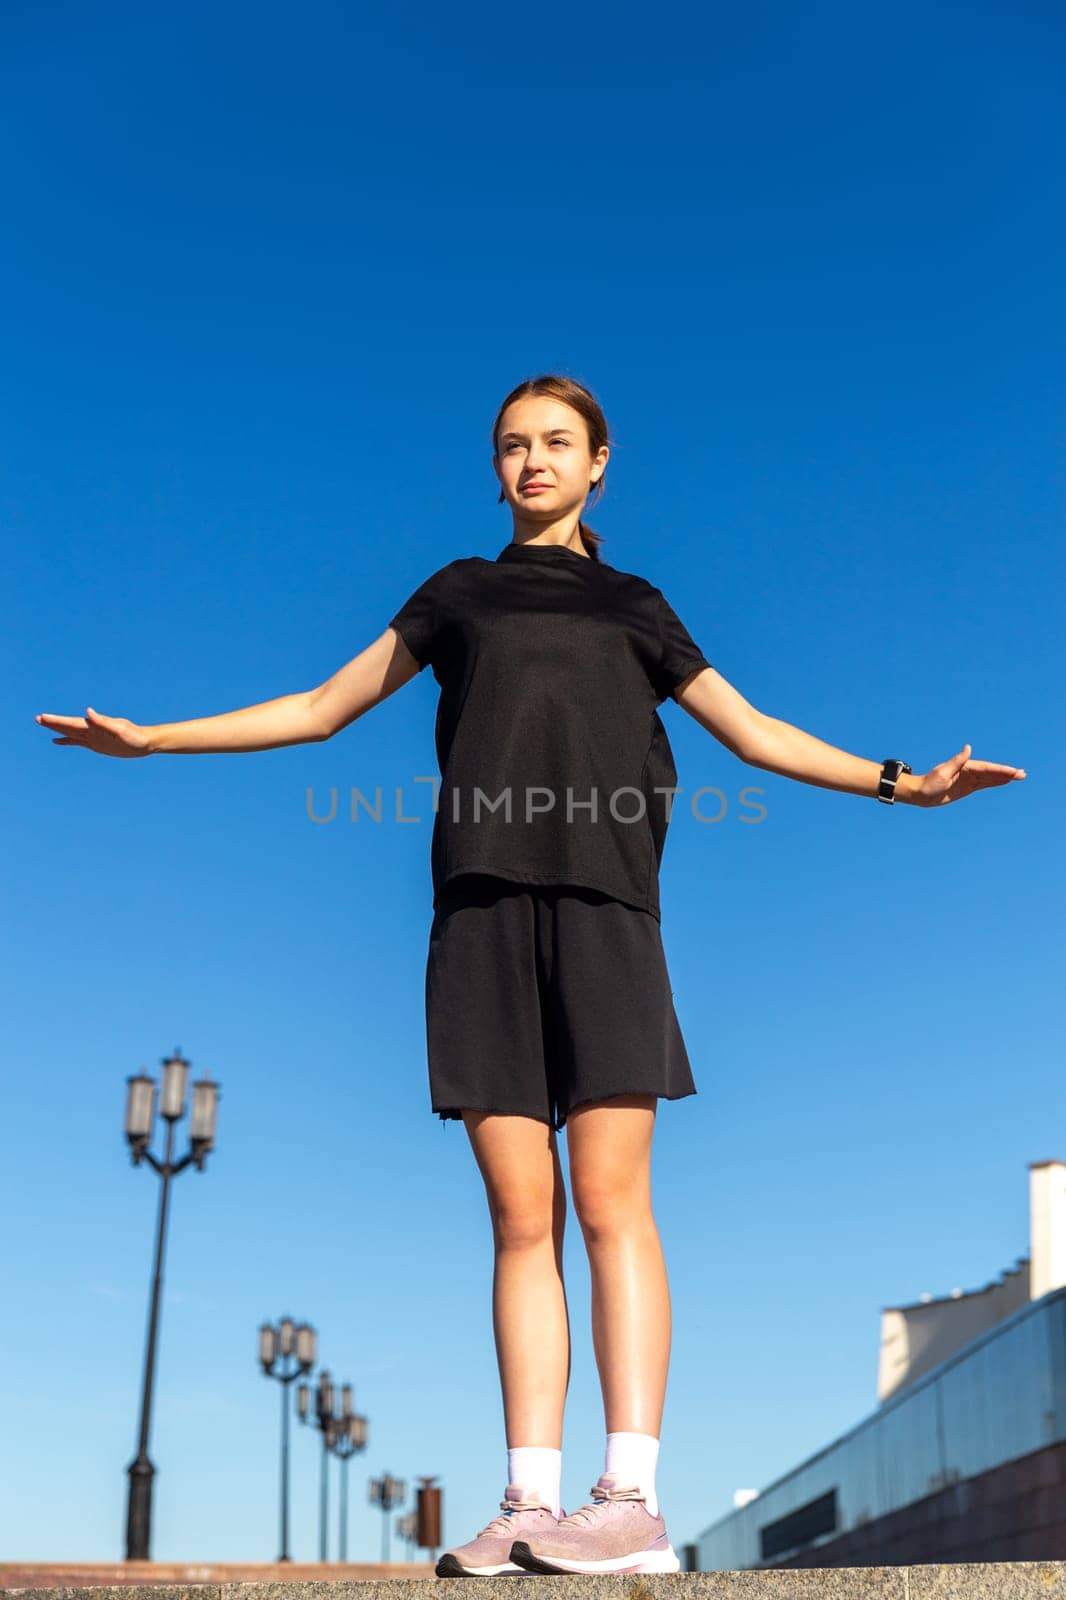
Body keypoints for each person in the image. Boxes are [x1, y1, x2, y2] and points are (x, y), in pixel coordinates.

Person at [35, 373, 1027, 1579]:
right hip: (480, 917)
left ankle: (629, 1500)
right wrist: (151, 738)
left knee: (611, 1199)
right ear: (495, 467)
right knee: (521, 1217)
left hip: (609, 912)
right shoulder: (456, 594)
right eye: (513, 444)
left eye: (557, 441)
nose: (533, 459)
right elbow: (319, 707)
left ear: (600, 461)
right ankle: (527, 1502)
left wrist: (903, 782)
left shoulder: (634, 604)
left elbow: (753, 733)